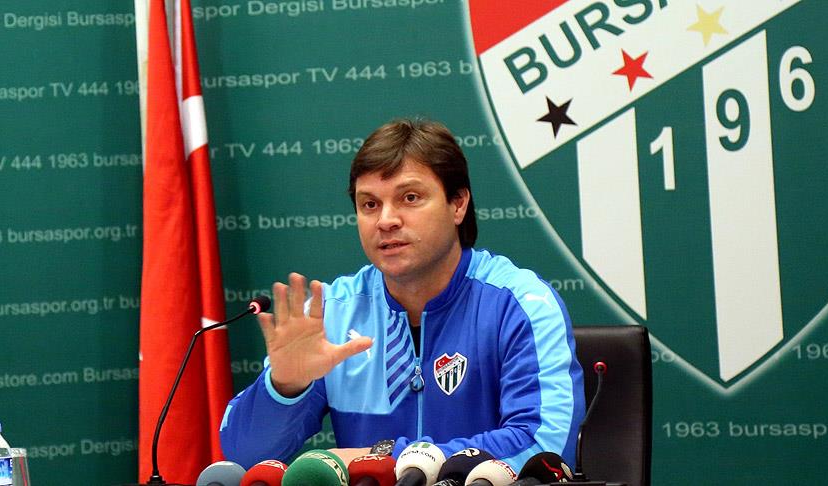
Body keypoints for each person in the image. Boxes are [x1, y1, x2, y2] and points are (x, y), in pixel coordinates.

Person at [219, 119, 585, 472]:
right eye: (369, 204)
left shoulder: (520, 305)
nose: (386, 220)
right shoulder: (332, 315)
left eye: (410, 197)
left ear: (458, 204)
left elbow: (543, 447)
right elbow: (244, 455)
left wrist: (387, 458)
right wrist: (284, 388)